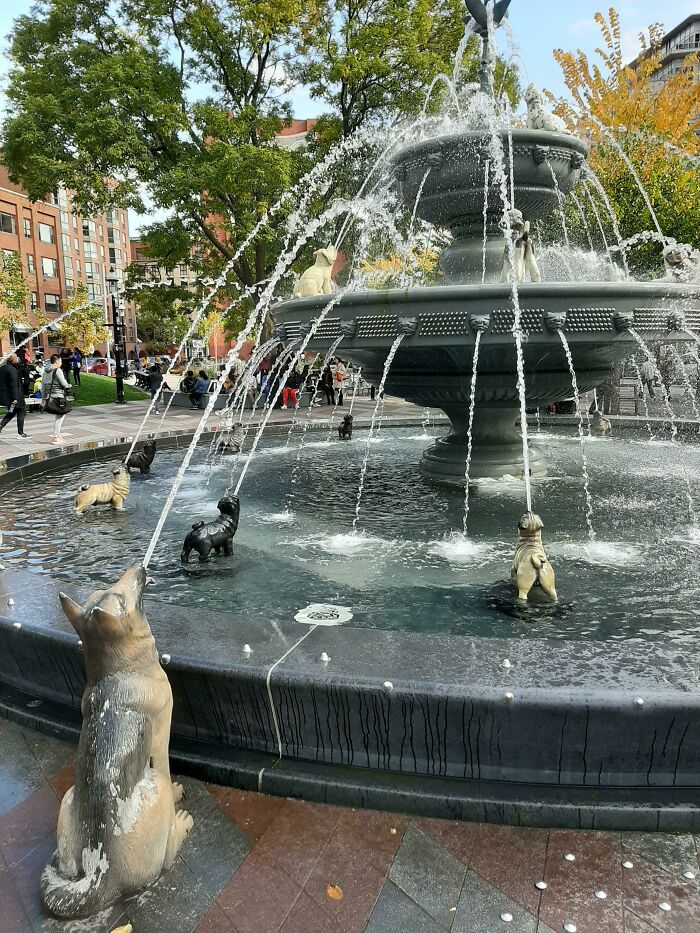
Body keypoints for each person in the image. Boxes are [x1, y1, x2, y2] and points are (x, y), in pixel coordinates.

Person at [41, 354, 71, 443]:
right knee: (60, 416)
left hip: (50, 398)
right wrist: (69, 385)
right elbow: (64, 384)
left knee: (59, 416)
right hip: (59, 397)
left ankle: (57, 435)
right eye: (61, 361)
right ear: (57, 361)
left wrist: (43, 399)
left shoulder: (45, 372)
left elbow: (42, 386)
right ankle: (56, 436)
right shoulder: (58, 370)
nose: (61, 363)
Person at [0, 354, 29, 439]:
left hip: (7, 396)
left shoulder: (2, 368)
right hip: (15, 397)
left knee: (11, 412)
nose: (18, 360)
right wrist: (15, 398)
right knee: (21, 411)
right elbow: (14, 385)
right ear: (13, 360)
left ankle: (1, 425)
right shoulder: (12, 370)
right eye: (16, 358)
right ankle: (21, 433)